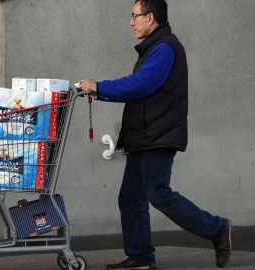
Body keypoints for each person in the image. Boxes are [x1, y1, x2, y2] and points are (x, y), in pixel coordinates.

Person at [78, 0, 232, 269]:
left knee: (158, 193)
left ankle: (217, 229)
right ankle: (140, 257)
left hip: (157, 135)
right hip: (144, 137)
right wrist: (100, 91)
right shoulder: (153, 49)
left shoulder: (164, 48)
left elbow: (141, 84)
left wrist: (99, 87)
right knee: (130, 197)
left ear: (150, 17)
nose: (131, 22)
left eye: (134, 16)